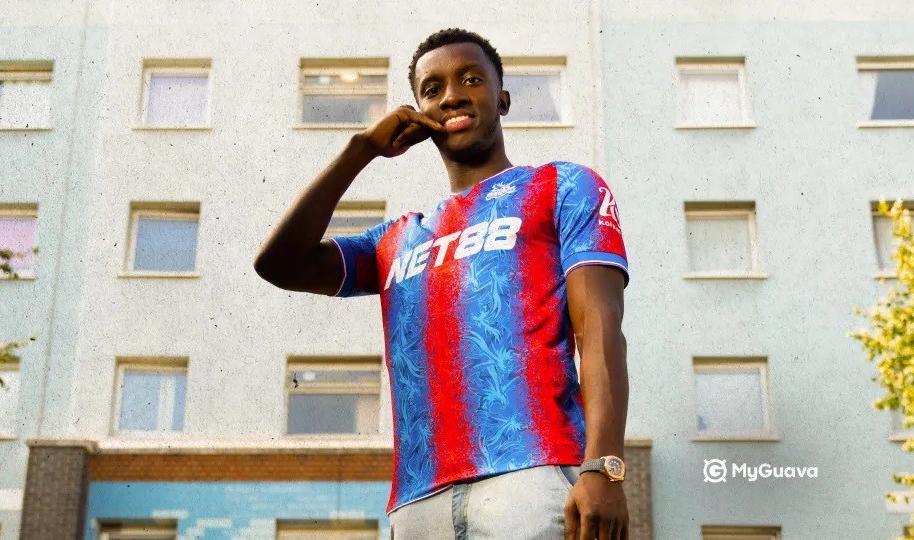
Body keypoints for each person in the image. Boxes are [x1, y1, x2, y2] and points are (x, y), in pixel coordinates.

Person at [254, 28, 631, 540]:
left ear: (502, 99)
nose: (451, 94)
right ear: (420, 114)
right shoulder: (397, 238)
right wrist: (360, 150)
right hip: (418, 505)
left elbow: (600, 327)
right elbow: (280, 264)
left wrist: (604, 465)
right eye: (432, 89)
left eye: (471, 79)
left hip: (530, 480)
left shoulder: (562, 186)